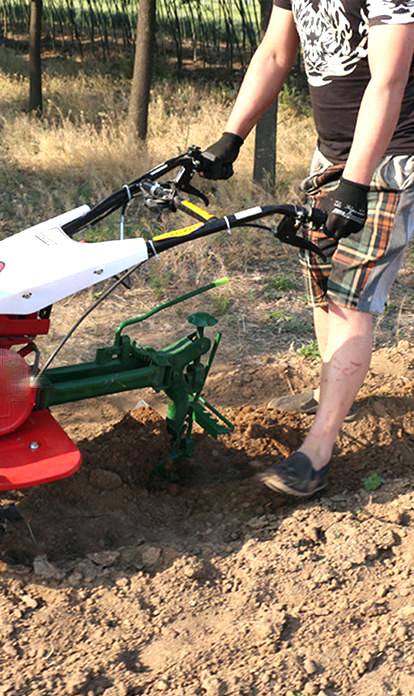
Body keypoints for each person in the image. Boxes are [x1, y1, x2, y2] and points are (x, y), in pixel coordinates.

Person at [200, 0, 414, 498]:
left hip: (391, 158)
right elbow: (275, 52)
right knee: (320, 279)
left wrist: (357, 185)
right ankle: (331, 395)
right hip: (331, 154)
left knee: (349, 297)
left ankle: (316, 452)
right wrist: (231, 136)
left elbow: (389, 78)